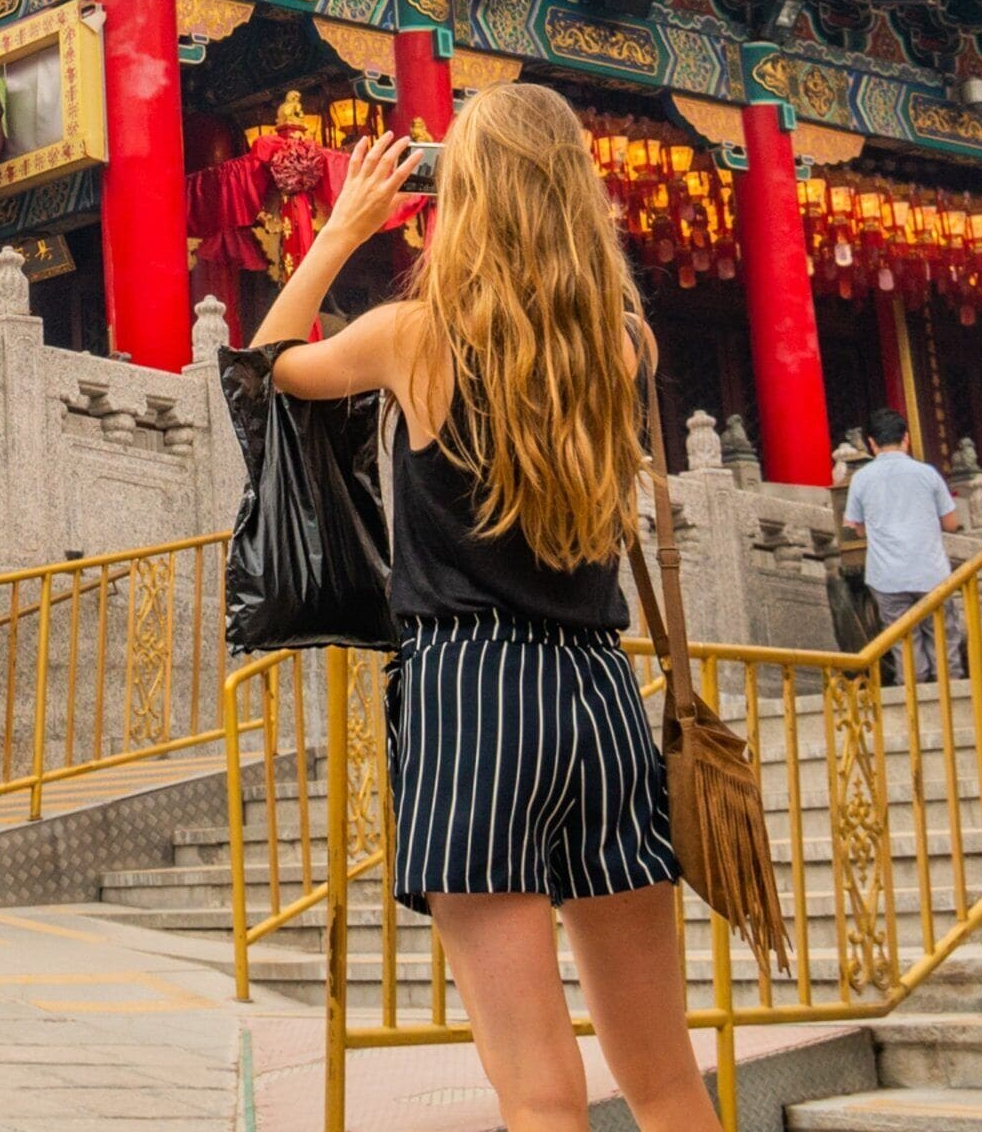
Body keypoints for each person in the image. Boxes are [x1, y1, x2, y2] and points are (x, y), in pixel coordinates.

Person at [256, 89, 712, 1132]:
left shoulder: (415, 340)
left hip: (472, 690)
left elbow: (270, 366)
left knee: (537, 1090)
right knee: (664, 1076)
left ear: (461, 197)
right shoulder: (625, 345)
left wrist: (339, 227)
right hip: (599, 695)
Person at [840, 410, 964, 681]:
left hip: (887, 575)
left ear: (871, 443)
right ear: (906, 438)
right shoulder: (927, 474)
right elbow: (951, 523)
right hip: (930, 571)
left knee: (904, 643)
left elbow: (854, 526)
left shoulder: (861, 478)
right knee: (944, 639)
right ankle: (952, 699)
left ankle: (914, 703)